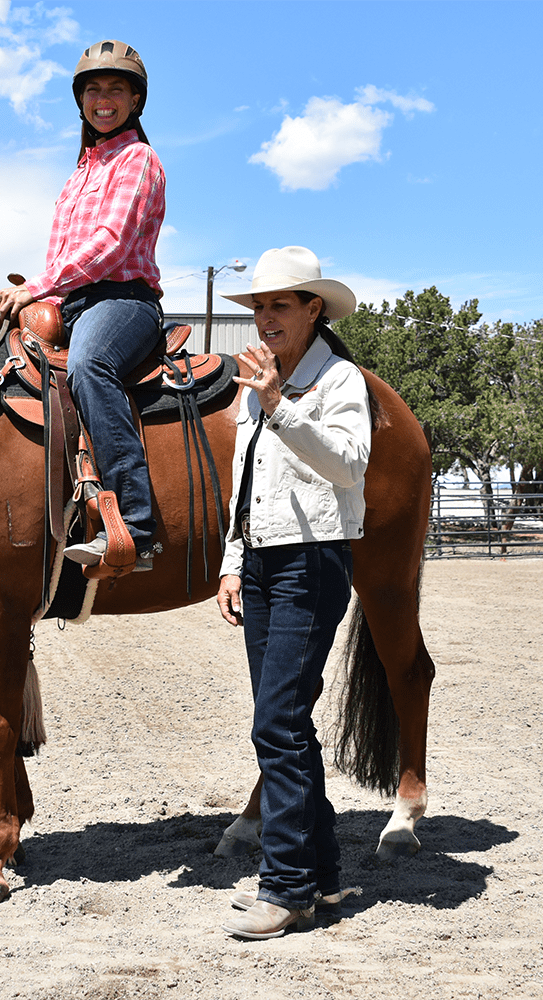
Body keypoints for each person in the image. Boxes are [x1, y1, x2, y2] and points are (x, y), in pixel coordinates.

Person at [215, 246, 371, 939]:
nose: (265, 318)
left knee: (274, 725)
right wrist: (229, 560)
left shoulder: (340, 382)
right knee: (288, 725)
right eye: (259, 307)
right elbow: (244, 483)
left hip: (312, 564)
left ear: (314, 308)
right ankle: (326, 874)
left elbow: (346, 466)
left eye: (280, 305)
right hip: (261, 565)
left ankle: (287, 890)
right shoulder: (261, 384)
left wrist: (277, 406)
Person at [0, 39, 165, 573]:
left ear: (135, 100)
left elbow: (110, 243)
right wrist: (32, 295)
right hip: (74, 300)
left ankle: (136, 525)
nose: (104, 99)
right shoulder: (77, 175)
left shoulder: (138, 160)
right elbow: (61, 254)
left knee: (90, 366)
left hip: (124, 300)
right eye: (94, 89)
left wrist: (39, 285)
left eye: (116, 89)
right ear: (81, 100)